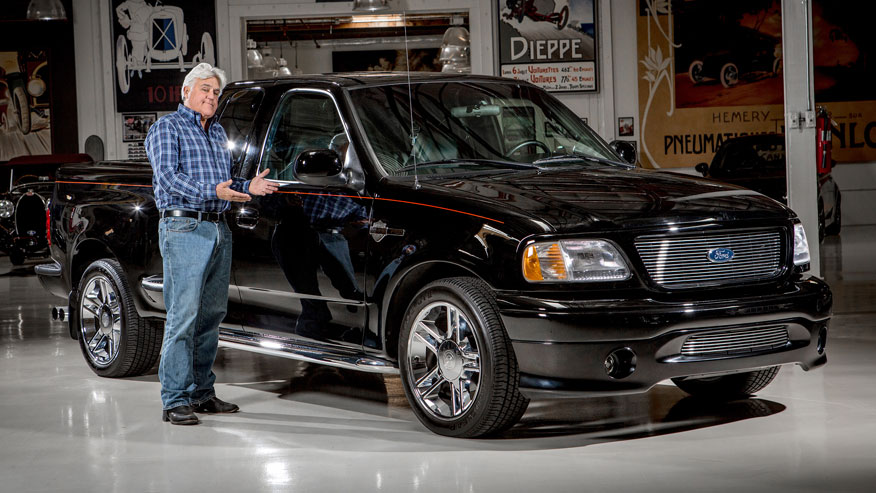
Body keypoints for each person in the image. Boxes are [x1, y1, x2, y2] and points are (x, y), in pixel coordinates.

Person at [145, 63, 278, 425]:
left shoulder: (216, 130)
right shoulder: (166, 128)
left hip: (219, 229)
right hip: (184, 228)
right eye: (205, 89)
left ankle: (202, 393)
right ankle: (174, 399)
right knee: (183, 317)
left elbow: (224, 181)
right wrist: (213, 190)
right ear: (185, 92)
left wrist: (246, 185)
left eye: (216, 92)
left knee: (211, 317)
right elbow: (169, 179)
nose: (211, 97)